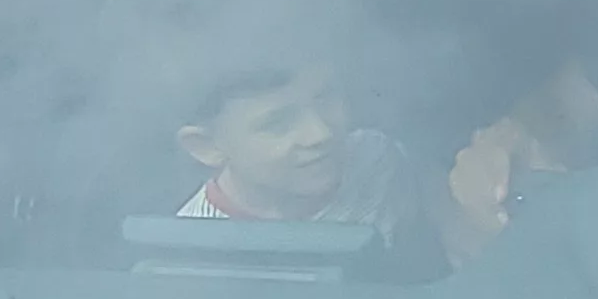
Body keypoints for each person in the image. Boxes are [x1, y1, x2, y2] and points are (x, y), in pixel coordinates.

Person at [172, 58, 417, 238]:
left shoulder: (375, 157)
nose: (321, 133)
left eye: (325, 98)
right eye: (277, 123)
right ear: (206, 146)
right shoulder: (193, 246)